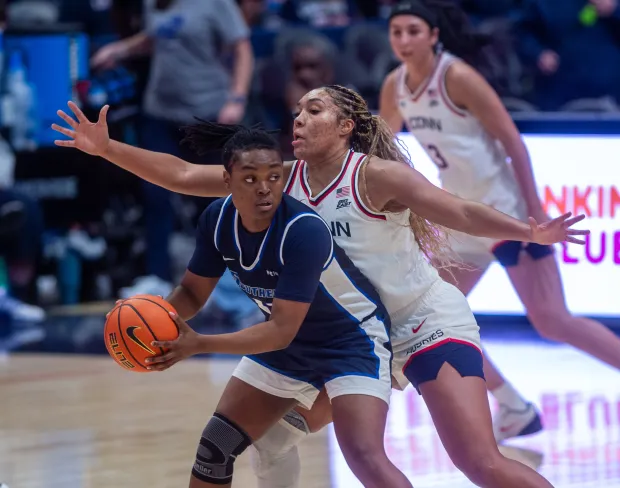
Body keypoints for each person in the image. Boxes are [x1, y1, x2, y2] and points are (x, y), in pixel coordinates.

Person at [51, 91, 587, 487]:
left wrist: (527, 229)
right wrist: (106, 150)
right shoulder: (276, 177)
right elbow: (185, 175)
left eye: (313, 111)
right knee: (265, 436)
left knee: (477, 460)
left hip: (420, 322)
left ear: (346, 125)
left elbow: (461, 211)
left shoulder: (377, 176)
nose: (298, 119)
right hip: (344, 332)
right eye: (297, 112)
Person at [379, 0, 620, 442]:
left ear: (434, 35)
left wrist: (537, 211)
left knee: (553, 321)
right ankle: (514, 408)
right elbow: (382, 149)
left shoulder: (457, 77)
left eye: (413, 30)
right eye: (397, 32)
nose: (404, 40)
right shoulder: (394, 86)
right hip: (461, 218)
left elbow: (513, 140)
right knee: (426, 317)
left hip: (507, 213)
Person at [128, 121, 410, 488]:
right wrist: (151, 322)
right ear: (226, 180)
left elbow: (279, 331)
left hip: (352, 345)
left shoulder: (302, 230)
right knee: (217, 447)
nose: (264, 188)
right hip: (290, 346)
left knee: (366, 459)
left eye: (274, 177)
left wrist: (198, 344)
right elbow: (193, 294)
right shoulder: (217, 220)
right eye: (250, 178)